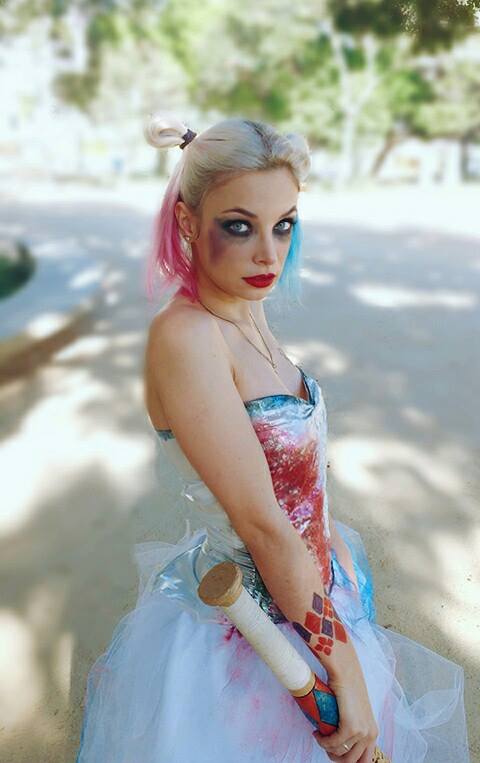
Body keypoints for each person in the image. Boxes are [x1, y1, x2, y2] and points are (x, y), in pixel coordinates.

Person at [74, 114, 470, 763]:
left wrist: (344, 580)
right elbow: (262, 525)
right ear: (187, 223)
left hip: (316, 596)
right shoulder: (186, 337)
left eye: (283, 224)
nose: (268, 254)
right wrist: (345, 667)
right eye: (239, 226)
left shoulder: (244, 305)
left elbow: (301, 483)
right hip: (251, 640)